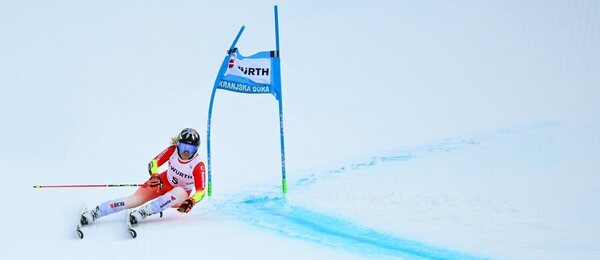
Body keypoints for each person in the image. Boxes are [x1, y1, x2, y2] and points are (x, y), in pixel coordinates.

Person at [80, 128, 206, 225]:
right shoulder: (172, 150)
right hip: (162, 183)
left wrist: (192, 201)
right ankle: (97, 211)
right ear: (178, 144)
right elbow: (153, 163)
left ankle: (144, 212)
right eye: (184, 146)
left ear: (196, 149)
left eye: (191, 149)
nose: (186, 152)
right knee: (133, 200)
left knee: (179, 191)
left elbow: (201, 191)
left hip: (180, 197)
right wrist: (155, 176)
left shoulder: (198, 164)